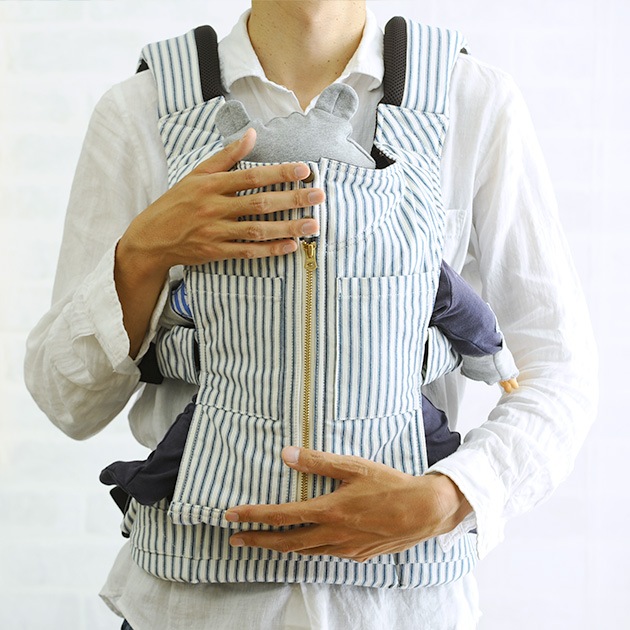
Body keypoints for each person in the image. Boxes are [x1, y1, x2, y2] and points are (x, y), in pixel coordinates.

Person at [24, 2, 597, 629]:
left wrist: (454, 495)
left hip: (404, 608)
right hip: (184, 609)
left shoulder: (473, 101)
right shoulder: (140, 110)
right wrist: (142, 252)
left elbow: (557, 369)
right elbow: (67, 401)